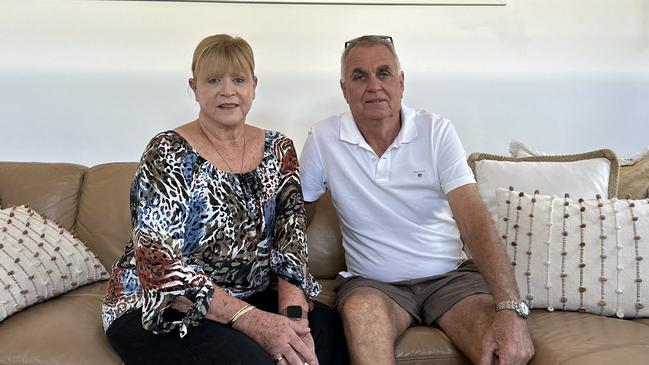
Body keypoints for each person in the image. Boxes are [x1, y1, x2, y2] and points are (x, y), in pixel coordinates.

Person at [102, 34, 348, 365]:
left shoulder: (280, 150)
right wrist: (254, 322)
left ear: (254, 85)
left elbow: (291, 243)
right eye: (214, 80)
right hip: (160, 306)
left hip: (247, 297)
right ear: (194, 87)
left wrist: (292, 320)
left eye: (238, 79)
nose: (227, 90)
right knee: (248, 357)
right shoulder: (167, 151)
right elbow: (160, 267)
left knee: (326, 332)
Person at [299, 35, 535, 365]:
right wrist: (288, 283)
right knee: (361, 311)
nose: (373, 86)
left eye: (383, 73)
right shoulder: (324, 138)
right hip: (375, 287)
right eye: (359, 76)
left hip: (450, 279)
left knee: (502, 348)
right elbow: (297, 218)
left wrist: (510, 307)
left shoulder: (436, 131)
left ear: (401, 81)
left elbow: (473, 219)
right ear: (344, 89)